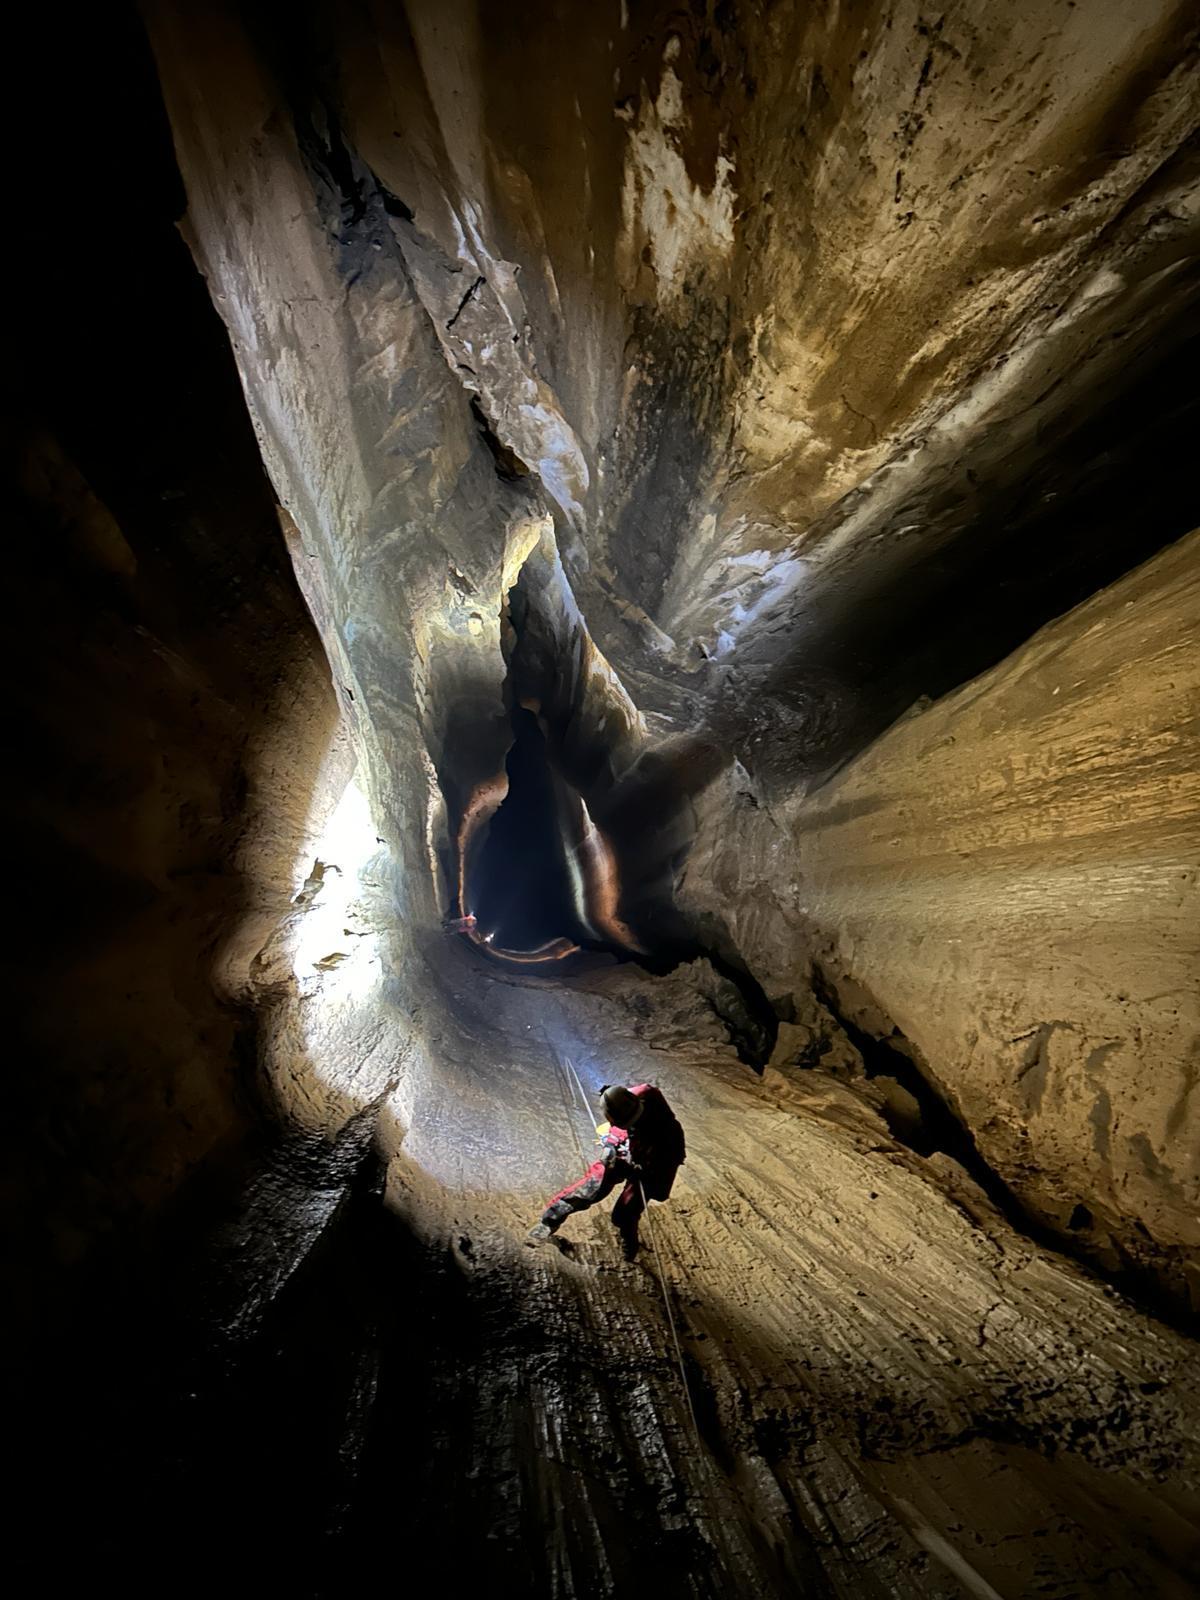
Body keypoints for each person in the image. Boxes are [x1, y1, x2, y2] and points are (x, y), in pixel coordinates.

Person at [528, 1082, 686, 1260]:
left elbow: (667, 1162)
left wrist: (643, 1168)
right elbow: (618, 1127)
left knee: (626, 1211)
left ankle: (630, 1241)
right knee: (592, 1185)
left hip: (655, 1161)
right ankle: (550, 1221)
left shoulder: (657, 1112)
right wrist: (611, 1144)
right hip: (629, 1148)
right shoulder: (622, 1106)